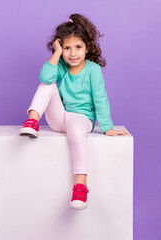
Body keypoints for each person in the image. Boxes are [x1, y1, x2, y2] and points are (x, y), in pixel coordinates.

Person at [19, 13, 129, 210]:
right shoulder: (61, 65)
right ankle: (32, 121)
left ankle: (80, 184)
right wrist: (56, 53)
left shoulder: (93, 70)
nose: (73, 53)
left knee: (78, 132)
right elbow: (45, 77)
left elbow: (100, 98)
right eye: (67, 48)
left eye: (78, 47)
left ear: (87, 47)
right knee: (47, 85)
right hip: (61, 119)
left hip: (81, 119)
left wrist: (107, 128)